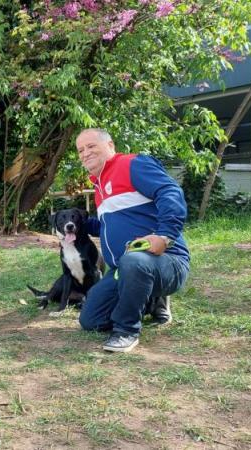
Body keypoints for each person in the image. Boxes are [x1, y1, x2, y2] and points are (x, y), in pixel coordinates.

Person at [75, 128, 190, 353]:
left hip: (165, 260)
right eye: (80, 150)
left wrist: (165, 236)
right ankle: (150, 299)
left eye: (91, 146)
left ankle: (126, 330)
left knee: (134, 261)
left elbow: (170, 192)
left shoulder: (132, 164)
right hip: (122, 270)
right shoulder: (99, 185)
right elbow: (108, 227)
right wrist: (81, 224)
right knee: (91, 320)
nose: (85, 153)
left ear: (110, 146)